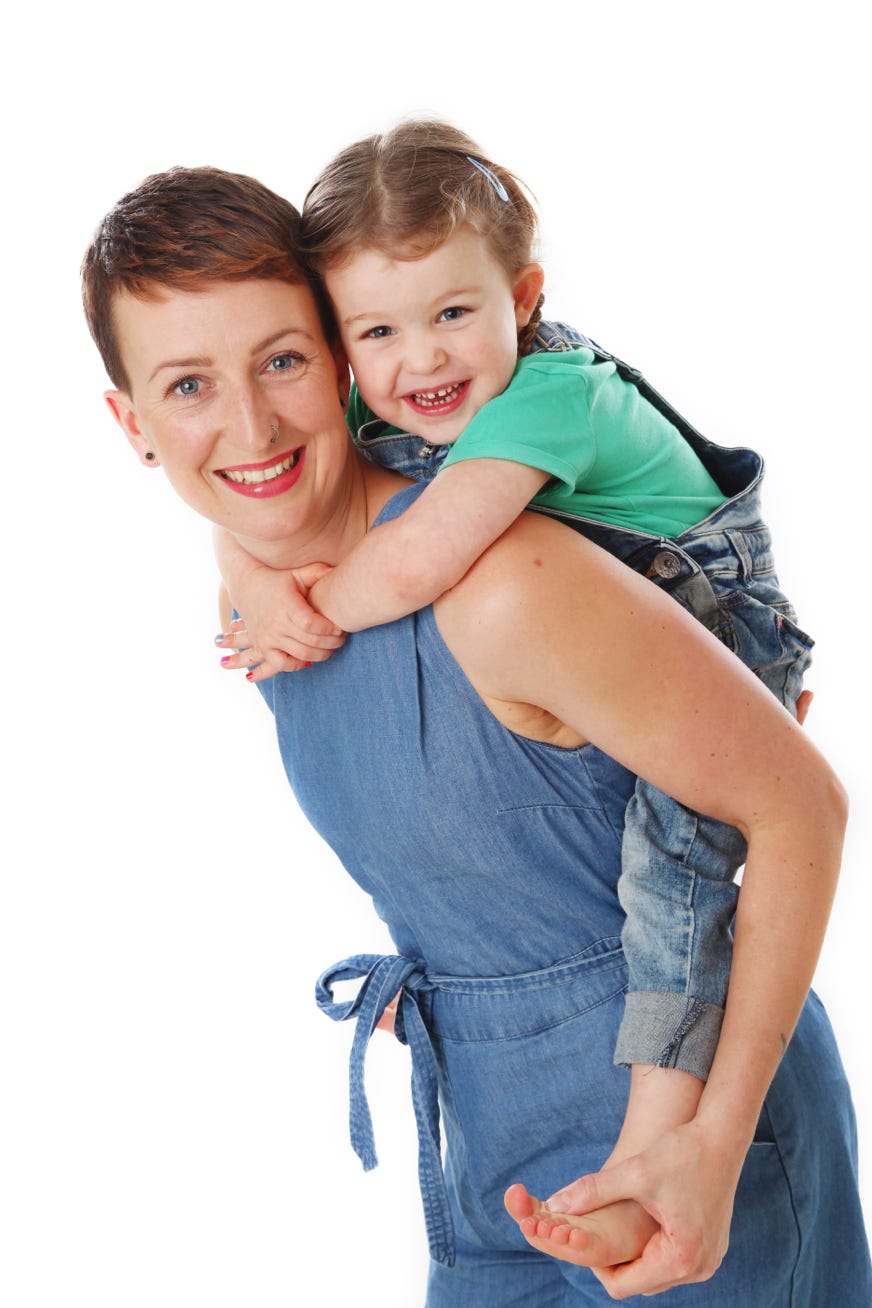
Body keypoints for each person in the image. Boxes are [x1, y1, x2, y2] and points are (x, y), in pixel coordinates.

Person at [81, 164, 871, 1304]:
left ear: (338, 359)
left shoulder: (497, 581)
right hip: (489, 1160)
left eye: (283, 360)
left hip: (699, 1151)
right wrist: (463, 983)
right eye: (189, 385)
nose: (249, 424)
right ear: (133, 424)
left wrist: (709, 1139)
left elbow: (800, 804)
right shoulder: (274, 608)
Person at [215, 120, 812, 1105]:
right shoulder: (393, 400)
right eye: (377, 333)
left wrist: (304, 605)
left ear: (522, 298)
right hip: (611, 634)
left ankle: (667, 1128)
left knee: (673, 870)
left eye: (452, 312)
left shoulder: (547, 396)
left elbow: (415, 559)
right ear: (338, 347)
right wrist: (250, 576)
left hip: (714, 615)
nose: (420, 359)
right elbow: (255, 504)